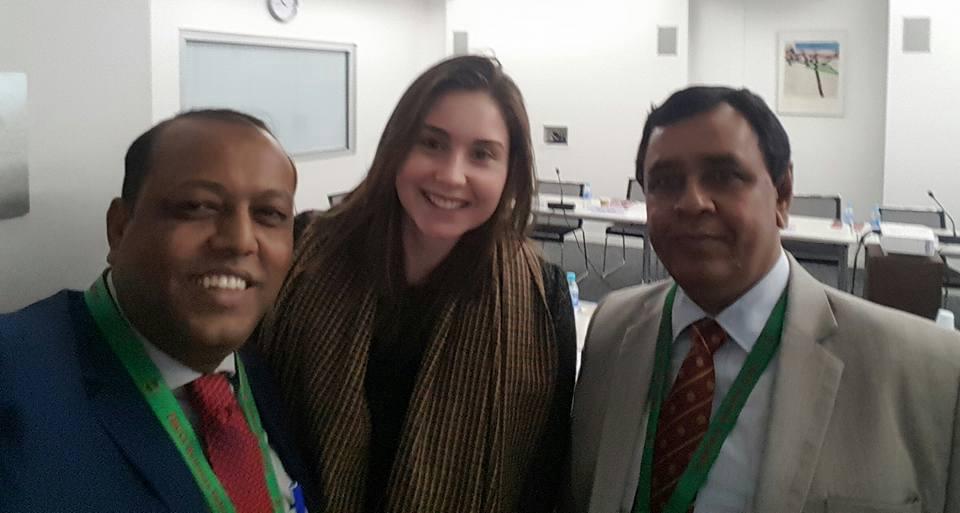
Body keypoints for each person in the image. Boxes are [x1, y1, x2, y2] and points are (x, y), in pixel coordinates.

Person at [565, 86, 960, 513]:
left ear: (782, 194)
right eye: (664, 182)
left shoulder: (931, 372)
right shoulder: (612, 330)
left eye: (723, 176)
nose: (692, 202)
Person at [256, 55, 576, 513]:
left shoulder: (542, 297)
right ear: (396, 147)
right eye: (431, 143)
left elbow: (541, 477)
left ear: (510, 172)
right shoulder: (302, 250)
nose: (451, 175)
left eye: (482, 154)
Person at [0, 110, 311, 513]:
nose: (239, 241)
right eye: (197, 206)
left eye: (270, 214)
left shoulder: (273, 376)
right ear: (119, 228)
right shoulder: (14, 381)